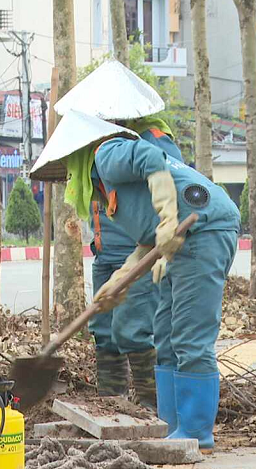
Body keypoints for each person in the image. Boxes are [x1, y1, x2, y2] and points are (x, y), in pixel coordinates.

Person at [30, 109, 240, 450]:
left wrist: (170, 217)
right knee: (166, 334)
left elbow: (150, 157)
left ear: (77, 152)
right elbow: (145, 240)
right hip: (180, 238)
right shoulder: (108, 185)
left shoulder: (106, 153)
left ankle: (196, 433)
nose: (69, 178)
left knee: (190, 335)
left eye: (68, 168)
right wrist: (118, 281)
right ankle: (173, 428)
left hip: (203, 229)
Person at [53, 60, 183, 409]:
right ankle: (111, 405)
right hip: (106, 252)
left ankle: (149, 407)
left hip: (142, 250)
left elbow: (172, 181)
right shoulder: (91, 145)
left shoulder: (154, 138)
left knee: (136, 330)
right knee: (105, 332)